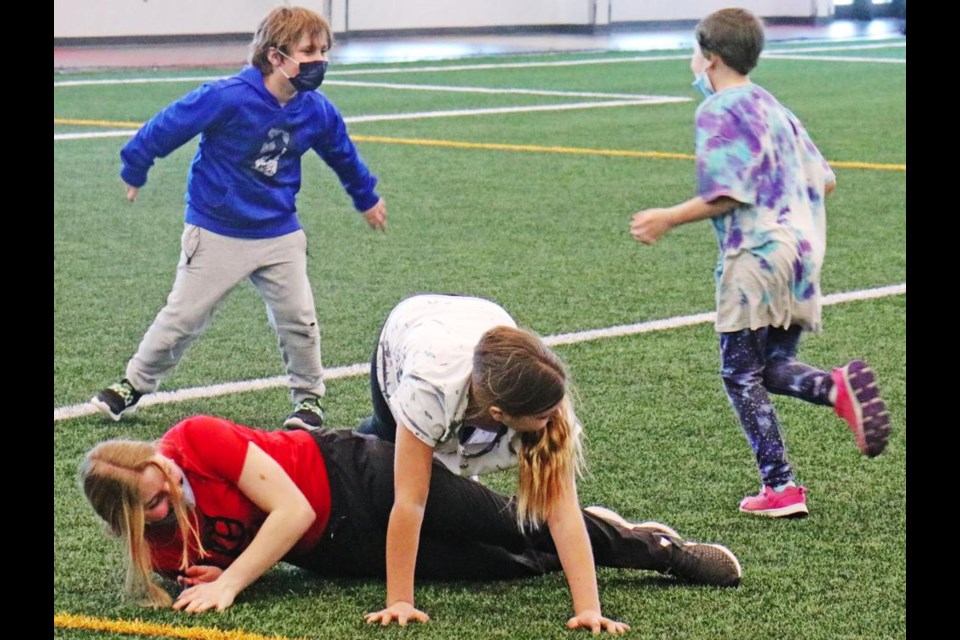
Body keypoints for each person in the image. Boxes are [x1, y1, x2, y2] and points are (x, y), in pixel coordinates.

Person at [79, 414, 742, 628]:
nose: (169, 487)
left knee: (510, 523)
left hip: (354, 474)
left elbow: (292, 511)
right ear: (131, 524)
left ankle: (653, 549)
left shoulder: (194, 440)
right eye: (155, 504)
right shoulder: (158, 548)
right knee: (493, 569)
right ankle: (594, 535)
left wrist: (230, 583)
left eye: (160, 476)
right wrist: (214, 570)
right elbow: (237, 551)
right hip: (336, 549)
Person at [628, 8, 891, 518]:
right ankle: (833, 388)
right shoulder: (775, 107)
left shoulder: (720, 110)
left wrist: (667, 217)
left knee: (739, 374)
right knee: (769, 367)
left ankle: (781, 485)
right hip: (802, 256)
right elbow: (826, 178)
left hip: (756, 259)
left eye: (694, 52)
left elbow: (729, 190)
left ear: (711, 58)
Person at [350, 294, 735, 631]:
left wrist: (588, 609)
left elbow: (562, 513)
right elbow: (410, 502)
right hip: (409, 331)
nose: (555, 420)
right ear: (500, 414)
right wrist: (400, 599)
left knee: (456, 507)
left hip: (481, 335)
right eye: (543, 417)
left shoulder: (545, 399)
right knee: (389, 463)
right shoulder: (426, 390)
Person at [90, 6, 387, 430]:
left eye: (324, 50)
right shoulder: (227, 96)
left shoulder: (316, 110)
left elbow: (343, 154)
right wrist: (135, 166)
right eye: (308, 50)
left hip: (279, 231)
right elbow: (168, 125)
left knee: (299, 319)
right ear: (275, 56)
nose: (319, 60)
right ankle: (132, 385)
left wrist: (366, 197)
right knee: (183, 318)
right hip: (216, 229)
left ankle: (308, 401)